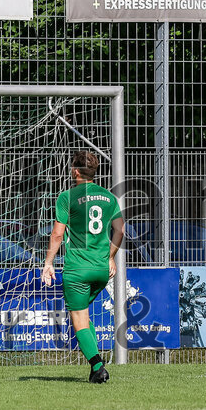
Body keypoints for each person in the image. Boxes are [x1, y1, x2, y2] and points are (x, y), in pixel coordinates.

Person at [41, 150, 124, 384]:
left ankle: (98, 367)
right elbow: (120, 231)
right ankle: (94, 369)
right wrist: (110, 257)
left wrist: (48, 263)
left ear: (75, 171)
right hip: (101, 270)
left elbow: (57, 234)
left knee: (78, 318)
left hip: (77, 269)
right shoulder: (109, 197)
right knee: (83, 317)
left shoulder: (67, 196)